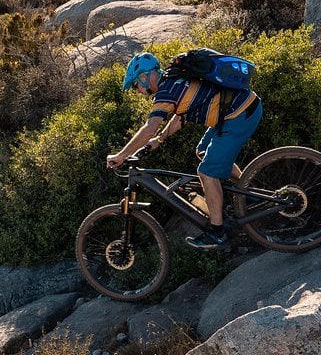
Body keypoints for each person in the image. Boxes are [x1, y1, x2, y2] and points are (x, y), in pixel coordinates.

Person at [106, 51, 263, 249]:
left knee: (206, 173)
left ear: (145, 77)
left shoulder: (166, 90)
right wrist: (160, 139)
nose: (137, 91)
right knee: (203, 152)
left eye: (135, 85)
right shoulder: (174, 80)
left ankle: (217, 232)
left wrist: (121, 156)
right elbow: (181, 115)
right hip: (236, 111)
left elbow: (149, 127)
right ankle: (246, 192)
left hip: (239, 115)